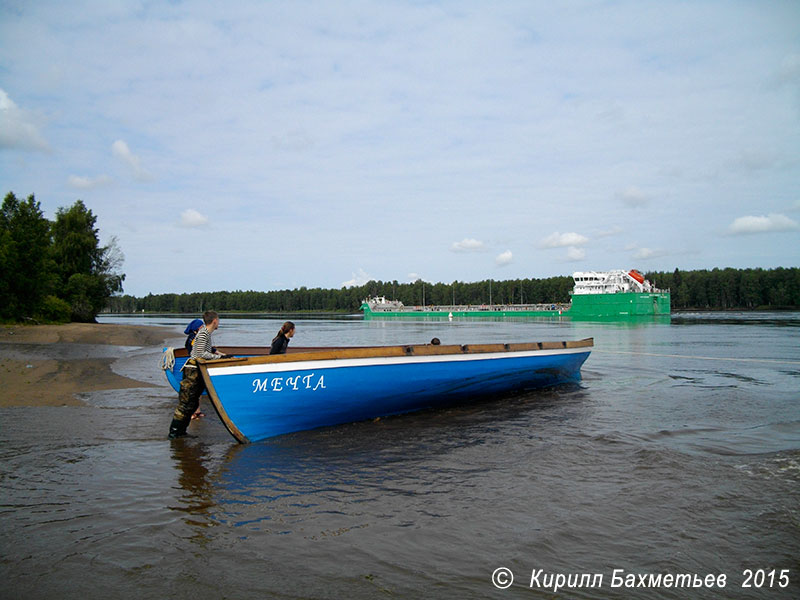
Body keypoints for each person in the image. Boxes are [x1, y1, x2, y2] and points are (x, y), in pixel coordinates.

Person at [168, 311, 228, 439]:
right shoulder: (203, 334)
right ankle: (174, 434)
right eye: (218, 320)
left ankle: (181, 433)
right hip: (192, 371)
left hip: (198, 371)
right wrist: (218, 358)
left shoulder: (206, 334)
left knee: (193, 403)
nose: (219, 322)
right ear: (214, 321)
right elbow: (199, 354)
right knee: (186, 403)